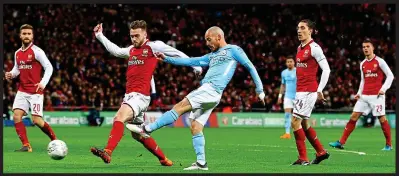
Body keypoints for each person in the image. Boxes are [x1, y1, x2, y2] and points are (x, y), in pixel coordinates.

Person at [127, 26, 266, 171]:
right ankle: (201, 163)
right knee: (195, 126)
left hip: (211, 89)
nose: (207, 43)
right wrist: (167, 59)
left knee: (179, 107)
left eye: (209, 39)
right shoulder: (211, 56)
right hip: (211, 93)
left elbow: (250, 67)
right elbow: (191, 61)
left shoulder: (233, 50)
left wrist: (260, 90)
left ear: (218, 37)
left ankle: (147, 129)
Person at [90, 20, 202, 166]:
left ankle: (108, 151)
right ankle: (164, 159)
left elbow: (176, 53)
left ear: (145, 34)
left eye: (137, 36)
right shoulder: (131, 50)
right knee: (137, 134)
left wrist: (195, 65)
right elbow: (116, 51)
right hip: (131, 96)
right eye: (131, 36)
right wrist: (99, 35)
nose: (134, 39)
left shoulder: (153, 46)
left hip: (140, 96)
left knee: (119, 117)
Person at [329, 39, 394, 151]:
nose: (365, 48)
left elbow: (390, 76)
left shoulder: (380, 61)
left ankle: (388, 145)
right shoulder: (363, 64)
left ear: (373, 48)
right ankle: (341, 142)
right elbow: (363, 81)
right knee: (353, 116)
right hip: (364, 96)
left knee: (382, 119)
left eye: (368, 46)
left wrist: (383, 89)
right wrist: (359, 93)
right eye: (364, 47)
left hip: (377, 96)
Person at [5, 24, 57, 152]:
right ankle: (26, 145)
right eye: (24, 33)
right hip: (22, 90)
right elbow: (17, 69)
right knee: (16, 116)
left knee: (37, 121)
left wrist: (43, 83)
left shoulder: (37, 51)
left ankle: (55, 140)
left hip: (35, 92)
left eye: (29, 33)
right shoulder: (17, 53)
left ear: (32, 36)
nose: (26, 36)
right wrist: (11, 74)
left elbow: (49, 67)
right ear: (20, 35)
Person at [290, 19, 331, 165]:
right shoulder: (299, 48)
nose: (299, 31)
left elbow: (326, 69)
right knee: (305, 124)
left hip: (308, 91)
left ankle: (303, 158)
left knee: (295, 122)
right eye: (298, 28)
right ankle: (321, 152)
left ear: (310, 31)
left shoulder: (314, 48)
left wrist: (320, 89)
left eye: (302, 28)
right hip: (300, 91)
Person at [277, 56, 296, 139]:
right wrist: (280, 96)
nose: (289, 63)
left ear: (294, 62)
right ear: (286, 63)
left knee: (298, 116)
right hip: (288, 96)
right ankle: (287, 133)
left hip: (297, 97)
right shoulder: (284, 73)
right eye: (288, 62)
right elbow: (282, 85)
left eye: (291, 61)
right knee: (287, 115)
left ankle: (299, 133)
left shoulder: (298, 71)